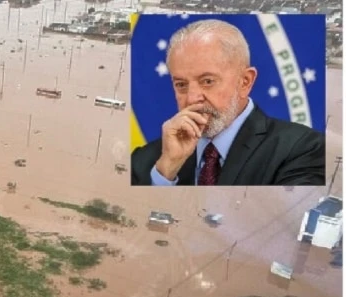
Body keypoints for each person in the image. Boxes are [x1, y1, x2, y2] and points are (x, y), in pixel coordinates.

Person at [132, 19, 325, 186]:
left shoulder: (302, 148)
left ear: (245, 82)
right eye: (181, 84)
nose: (192, 98)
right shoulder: (146, 160)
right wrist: (167, 169)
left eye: (207, 81)